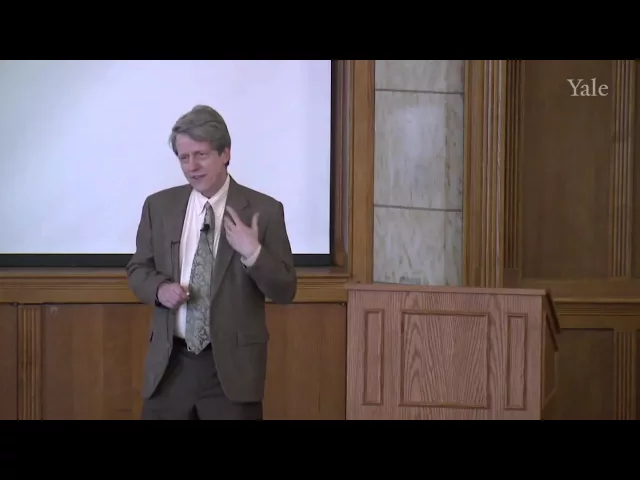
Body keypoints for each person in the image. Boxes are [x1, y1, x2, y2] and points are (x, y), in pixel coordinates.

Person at [126, 105, 297, 420]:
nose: (192, 166)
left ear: (225, 154)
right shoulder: (159, 207)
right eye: (184, 157)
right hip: (170, 367)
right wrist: (160, 289)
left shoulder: (264, 210)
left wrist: (253, 252)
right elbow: (138, 269)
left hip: (232, 372)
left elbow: (285, 290)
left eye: (201, 155)